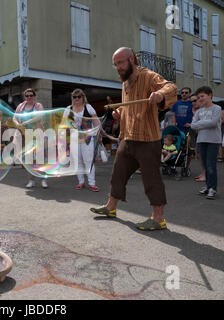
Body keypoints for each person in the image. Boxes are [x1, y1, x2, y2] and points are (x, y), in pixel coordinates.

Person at [90, 47, 178, 231]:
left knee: (151, 179)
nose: (118, 68)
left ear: (131, 59)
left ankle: (158, 218)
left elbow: (171, 87)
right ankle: (110, 208)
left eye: (120, 63)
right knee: (117, 175)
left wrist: (160, 94)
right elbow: (129, 108)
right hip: (128, 137)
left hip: (148, 139)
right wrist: (119, 112)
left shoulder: (148, 76)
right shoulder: (125, 83)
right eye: (115, 65)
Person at [62, 89, 101, 191]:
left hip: (87, 138)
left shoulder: (88, 108)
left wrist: (99, 133)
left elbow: (96, 121)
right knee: (77, 161)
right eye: (74, 97)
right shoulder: (68, 109)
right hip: (74, 139)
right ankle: (81, 182)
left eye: (79, 97)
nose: (77, 99)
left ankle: (92, 183)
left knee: (88, 160)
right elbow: (63, 124)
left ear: (83, 98)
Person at [191, 86, 222, 200]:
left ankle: (213, 188)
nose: (200, 99)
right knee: (205, 165)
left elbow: (213, 123)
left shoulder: (217, 108)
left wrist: (200, 123)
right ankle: (208, 186)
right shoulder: (199, 111)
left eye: (202, 96)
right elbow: (193, 125)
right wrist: (204, 123)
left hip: (213, 141)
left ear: (210, 95)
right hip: (201, 140)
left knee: (211, 165)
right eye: (198, 97)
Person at [13, 88, 48, 189]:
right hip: (25, 135)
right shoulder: (21, 106)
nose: (29, 97)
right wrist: (17, 124)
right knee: (29, 160)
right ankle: (31, 180)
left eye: (31, 95)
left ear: (34, 96)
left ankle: (43, 180)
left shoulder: (38, 106)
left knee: (40, 158)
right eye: (27, 96)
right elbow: (14, 117)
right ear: (25, 97)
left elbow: (39, 116)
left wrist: (26, 122)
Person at [190, 94, 205, 182]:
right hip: (197, 135)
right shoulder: (194, 111)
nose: (193, 103)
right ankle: (203, 172)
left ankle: (205, 173)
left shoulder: (203, 111)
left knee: (203, 155)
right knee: (199, 154)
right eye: (191, 101)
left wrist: (194, 124)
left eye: (195, 100)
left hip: (204, 135)